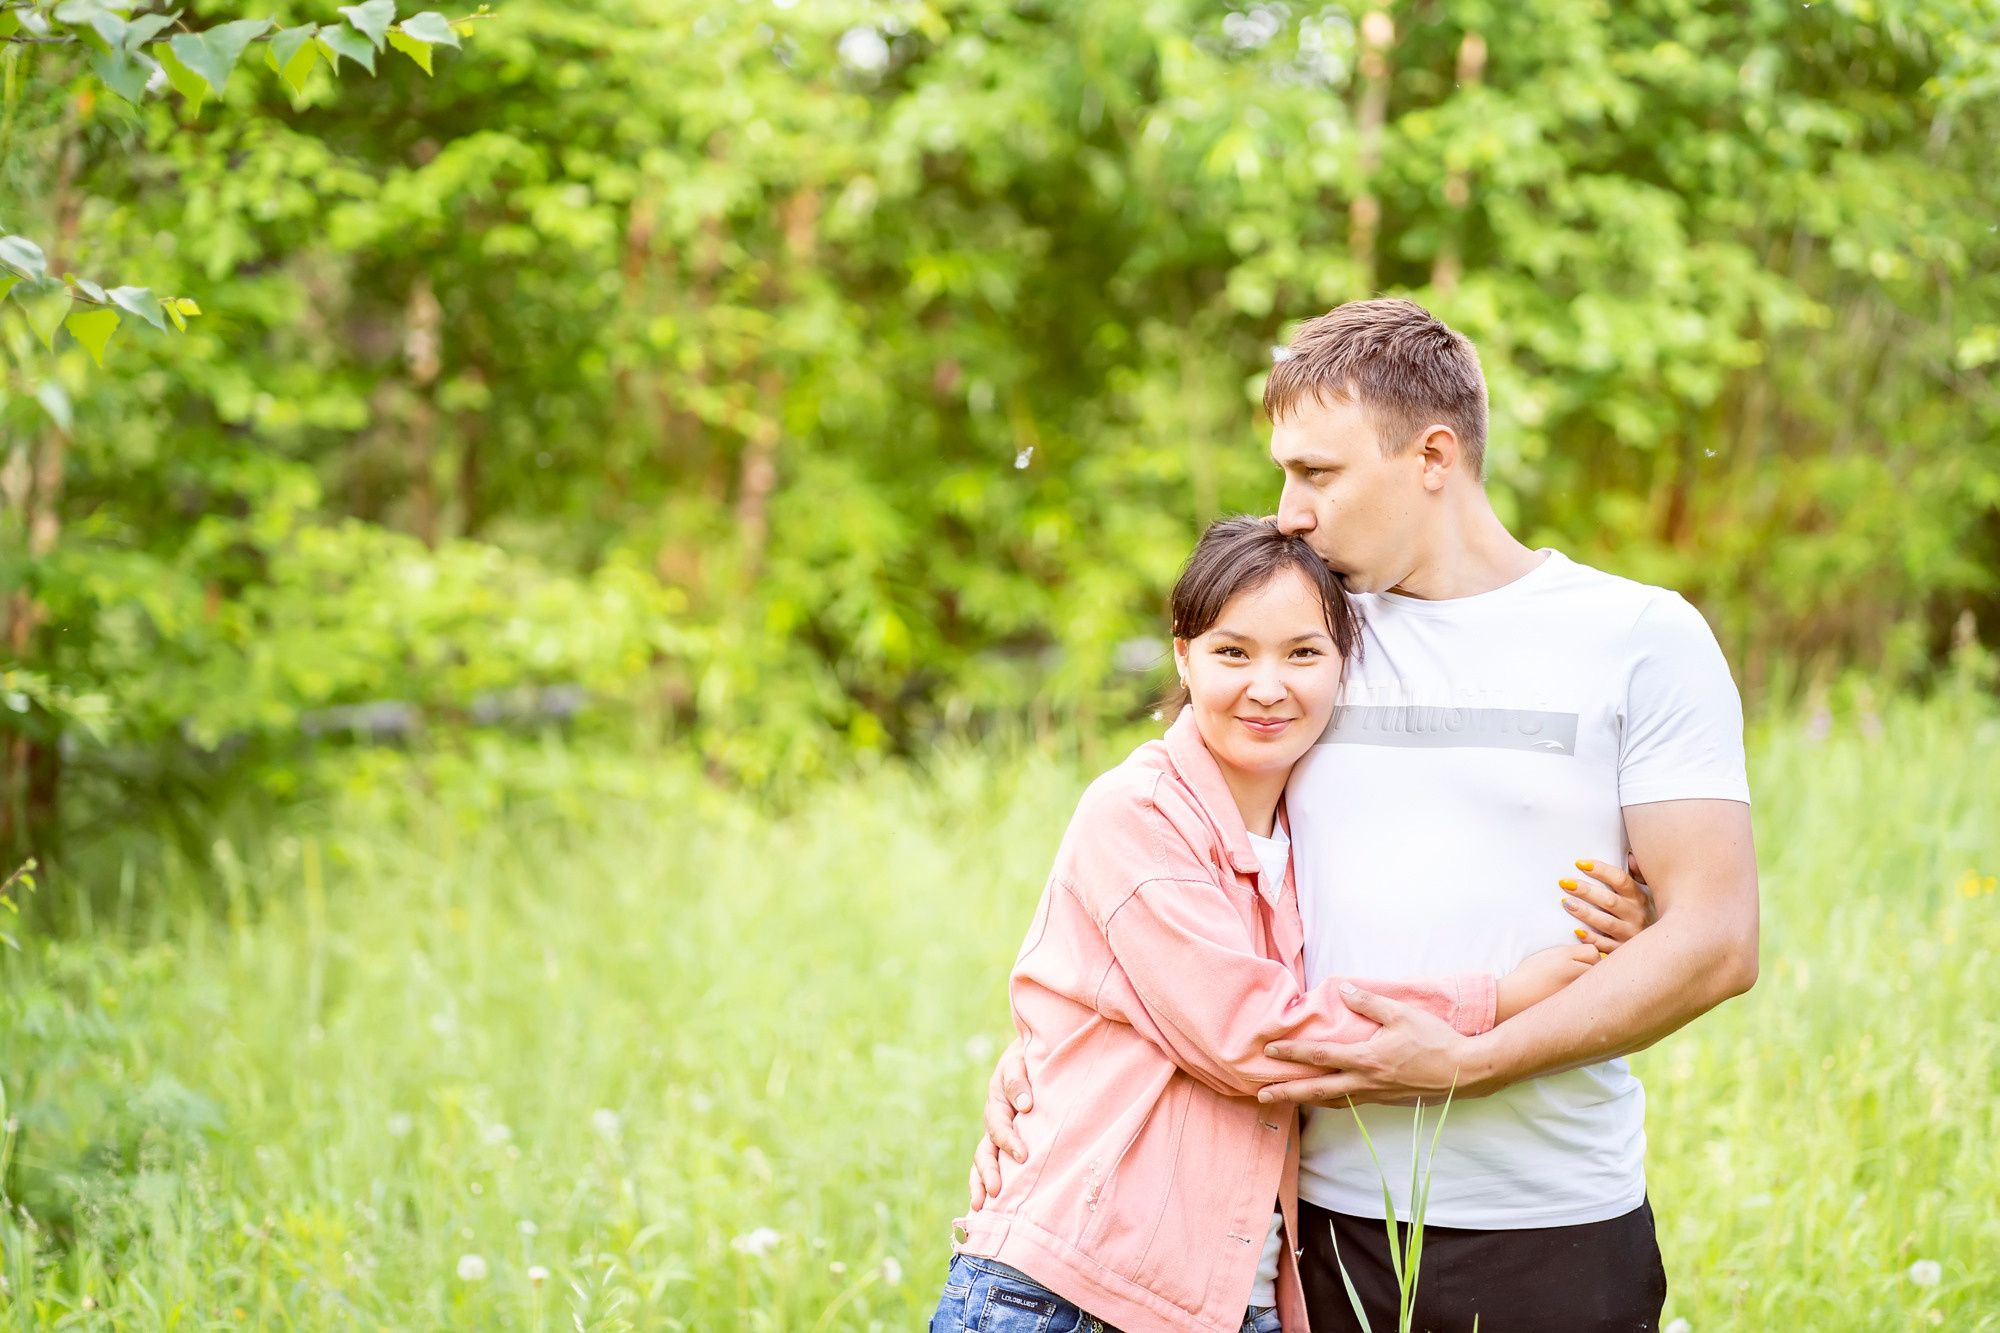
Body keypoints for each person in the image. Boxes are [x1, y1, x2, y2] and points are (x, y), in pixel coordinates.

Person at [972, 299, 1759, 1332]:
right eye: (1282, 472)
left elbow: (1715, 939)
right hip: (1310, 1231)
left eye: (1316, 473)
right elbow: (1165, 847)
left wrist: (1470, 1062)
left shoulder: (1637, 636)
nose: (1287, 509)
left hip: (1554, 1218)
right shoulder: (1304, 635)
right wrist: (1048, 1061)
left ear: (1432, 454)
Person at [934, 517, 1653, 1333]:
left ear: (1344, 665)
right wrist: (1502, 996)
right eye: (1232, 652)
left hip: (1236, 1294)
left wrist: (1631, 912)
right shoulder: (1135, 812)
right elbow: (1250, 1032)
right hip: (1076, 1293)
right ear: (1182, 653)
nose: (1267, 685)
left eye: (1303, 654)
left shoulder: (1310, 828)